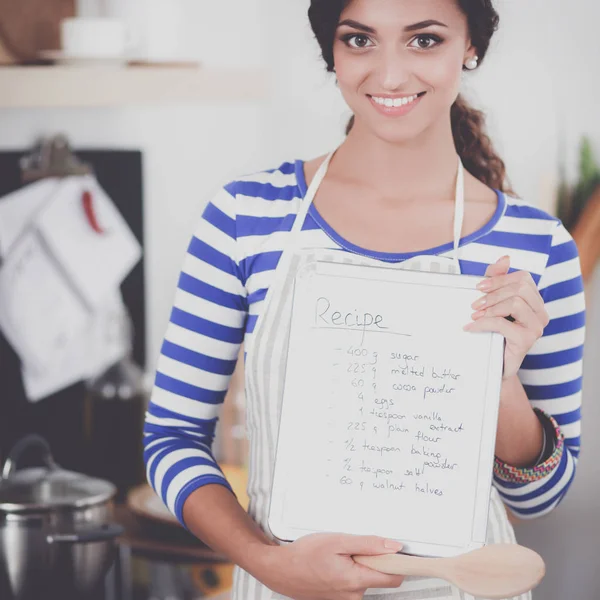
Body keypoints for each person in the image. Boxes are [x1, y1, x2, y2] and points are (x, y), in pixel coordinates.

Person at [143, 1, 585, 598]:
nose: (391, 74)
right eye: (360, 40)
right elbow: (172, 437)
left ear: (471, 47)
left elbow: (539, 496)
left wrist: (502, 381)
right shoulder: (248, 218)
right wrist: (266, 562)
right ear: (331, 50)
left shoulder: (537, 248)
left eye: (424, 41)